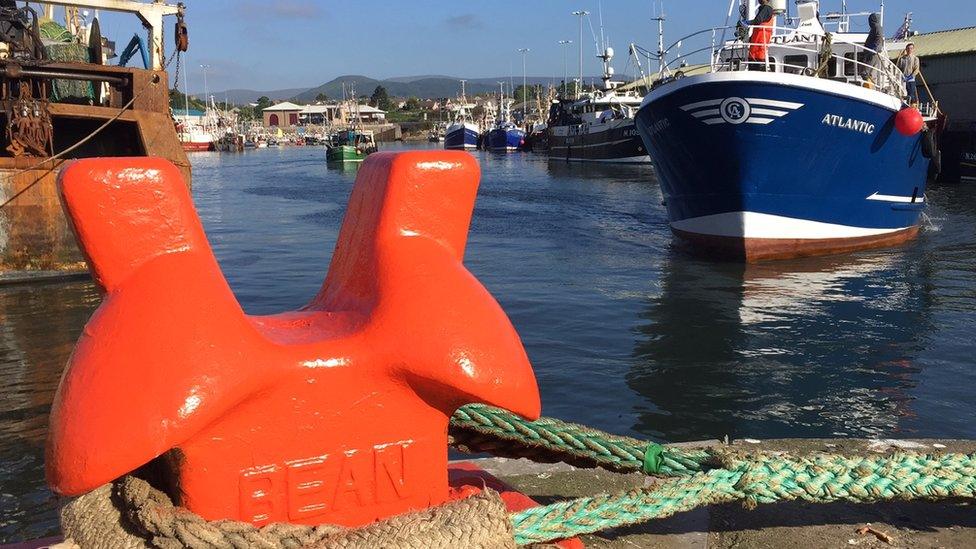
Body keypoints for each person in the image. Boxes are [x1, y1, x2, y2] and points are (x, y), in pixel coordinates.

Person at [746, 0, 776, 70]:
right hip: (756, 46)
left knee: (757, 65)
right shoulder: (763, 9)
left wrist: (747, 22)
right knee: (753, 64)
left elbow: (758, 20)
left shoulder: (767, 9)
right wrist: (750, 38)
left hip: (760, 47)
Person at [861, 13, 884, 83]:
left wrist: (873, 49)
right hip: (871, 53)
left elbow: (879, 38)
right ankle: (869, 84)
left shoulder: (877, 27)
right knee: (868, 72)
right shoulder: (875, 28)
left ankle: (869, 86)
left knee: (865, 72)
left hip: (872, 53)